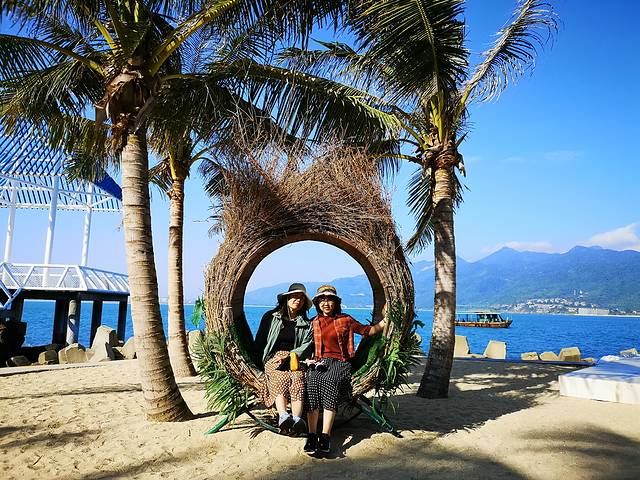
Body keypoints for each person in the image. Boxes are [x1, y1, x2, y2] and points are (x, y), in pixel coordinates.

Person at [304, 285, 385, 454]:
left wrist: (386, 321)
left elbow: (368, 331)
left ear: (336, 303)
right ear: (318, 303)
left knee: (330, 381)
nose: (326, 303)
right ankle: (311, 435)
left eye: (330, 300)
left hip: (341, 362)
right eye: (322, 300)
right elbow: (303, 343)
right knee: (312, 384)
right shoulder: (313, 322)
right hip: (319, 361)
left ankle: (325, 436)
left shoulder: (345, 319)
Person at [254, 283, 314, 434]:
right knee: (281, 378)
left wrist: (290, 355)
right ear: (286, 299)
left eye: (301, 298)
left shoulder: (306, 324)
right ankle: (283, 416)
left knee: (298, 378)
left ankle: (297, 419)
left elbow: (307, 345)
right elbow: (260, 340)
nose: (297, 300)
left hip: (294, 357)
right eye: (294, 296)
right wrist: (257, 362)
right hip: (274, 358)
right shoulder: (271, 317)